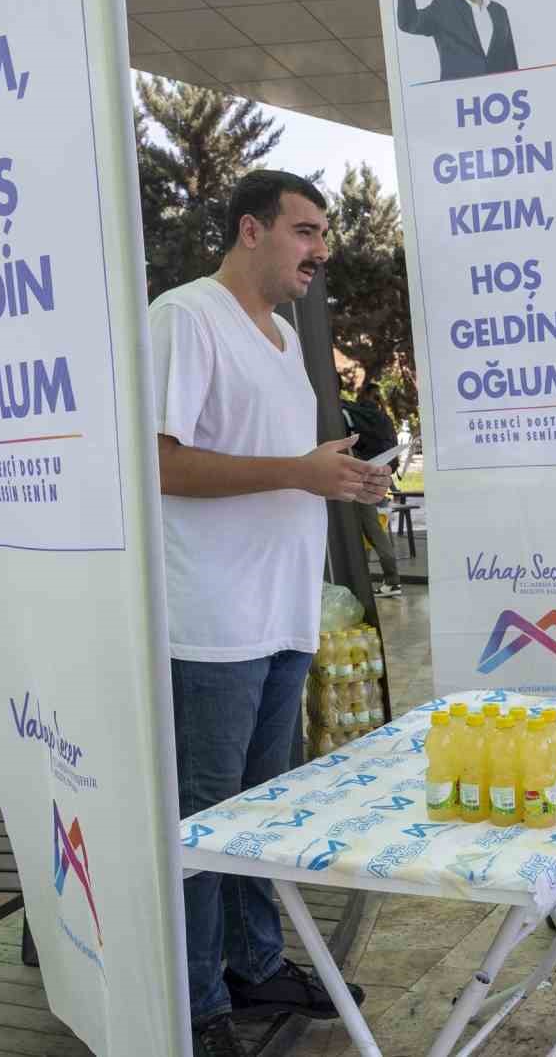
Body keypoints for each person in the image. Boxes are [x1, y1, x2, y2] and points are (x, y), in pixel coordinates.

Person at [150, 170, 388, 1057]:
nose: (320, 250)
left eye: (324, 234)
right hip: (212, 621)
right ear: (252, 229)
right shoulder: (185, 317)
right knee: (206, 819)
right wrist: (297, 472)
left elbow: (283, 461)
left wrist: (340, 474)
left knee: (260, 809)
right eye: (306, 231)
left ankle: (254, 964)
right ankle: (200, 1000)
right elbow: (162, 464)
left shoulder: (285, 337)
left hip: (283, 613)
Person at [341, 379, 404, 597]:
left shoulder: (343, 411)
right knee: (371, 529)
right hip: (372, 475)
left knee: (367, 530)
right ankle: (388, 579)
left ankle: (387, 579)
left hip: (351, 477)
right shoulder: (379, 416)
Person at [396, 0, 519, 81]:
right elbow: (409, 22)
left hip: (497, 103)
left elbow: (510, 62)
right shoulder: (442, 8)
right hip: (458, 103)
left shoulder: (500, 12)